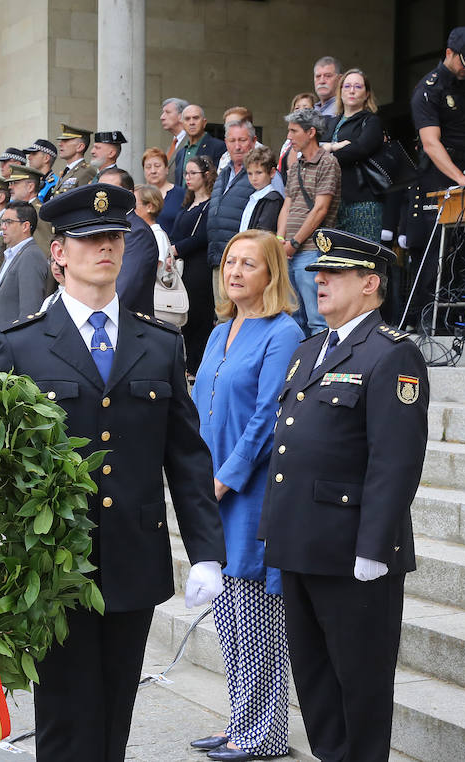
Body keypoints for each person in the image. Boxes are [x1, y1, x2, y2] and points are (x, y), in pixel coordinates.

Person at [0, 183, 226, 762]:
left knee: (116, 709)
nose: (106, 248)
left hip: (131, 554)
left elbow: (187, 456)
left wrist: (208, 553)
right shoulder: (22, 346)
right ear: (60, 254)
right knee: (66, 714)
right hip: (52, 561)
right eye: (90, 239)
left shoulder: (158, 342)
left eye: (115, 237)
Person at [258, 228, 427, 762]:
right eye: (318, 273)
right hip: (300, 542)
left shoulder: (390, 355)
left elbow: (395, 463)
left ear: (370, 284)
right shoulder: (310, 349)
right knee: (314, 679)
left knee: (360, 682)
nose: (321, 280)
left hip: (351, 549)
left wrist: (375, 549)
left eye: (335, 273)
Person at [189, 230, 303, 761]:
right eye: (230, 262)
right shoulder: (218, 332)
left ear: (271, 274)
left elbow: (268, 418)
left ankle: (266, 733)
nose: (234, 272)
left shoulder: (283, 332)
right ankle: (240, 723)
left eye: (248, 264)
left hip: (249, 492)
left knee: (254, 619)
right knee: (229, 619)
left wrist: (222, 479)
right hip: (211, 488)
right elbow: (197, 409)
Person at [406, 26, 465, 304]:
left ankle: (463, 309)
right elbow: (431, 143)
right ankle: (425, 315)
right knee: (435, 246)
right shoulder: (429, 89)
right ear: (449, 53)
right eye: (463, 62)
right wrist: (459, 179)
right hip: (438, 175)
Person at [277, 107, 341, 336]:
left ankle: (317, 369)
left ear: (311, 132)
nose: (289, 137)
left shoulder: (328, 162)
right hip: (289, 250)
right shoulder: (295, 166)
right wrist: (280, 240)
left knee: (317, 318)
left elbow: (320, 209)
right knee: (293, 317)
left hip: (312, 249)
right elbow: (288, 204)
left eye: (294, 131)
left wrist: (293, 242)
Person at [322, 68, 385, 242]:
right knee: (336, 262)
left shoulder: (371, 121)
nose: (351, 90)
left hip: (362, 201)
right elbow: (314, 149)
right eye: (347, 86)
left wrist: (329, 151)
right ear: (340, 91)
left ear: (366, 94)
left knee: (362, 260)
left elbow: (360, 149)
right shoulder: (331, 122)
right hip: (332, 201)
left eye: (358, 87)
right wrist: (337, 146)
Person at [168, 155, 215, 375]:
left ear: (206, 175)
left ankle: (196, 366)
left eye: (192, 173)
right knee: (185, 316)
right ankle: (188, 364)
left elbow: (203, 235)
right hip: (182, 264)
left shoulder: (210, 204)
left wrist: (178, 249)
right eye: (186, 173)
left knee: (198, 315)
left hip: (198, 265)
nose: (187, 177)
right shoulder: (188, 203)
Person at [206, 121, 263, 305]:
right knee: (222, 313)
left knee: (243, 311)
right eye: (232, 140)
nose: (237, 146)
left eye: (242, 140)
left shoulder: (261, 174)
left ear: (254, 141)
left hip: (245, 261)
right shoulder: (224, 172)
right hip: (220, 258)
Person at [0, 201, 55, 336]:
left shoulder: (31, 255)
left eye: (8, 222)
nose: (3, 227)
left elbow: (30, 310)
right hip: (2, 342)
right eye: (2, 222)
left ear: (25, 226)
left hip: (13, 345)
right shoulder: (12, 254)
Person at [100, 168, 158, 316]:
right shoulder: (105, 227)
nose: (103, 197)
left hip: (127, 325)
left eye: (111, 190)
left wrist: (96, 315)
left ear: (130, 195)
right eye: (100, 190)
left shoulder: (137, 232)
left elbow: (123, 289)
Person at [173, 104, 226, 187]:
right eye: (187, 119)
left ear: (204, 123)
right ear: (183, 125)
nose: (191, 123)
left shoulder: (218, 147)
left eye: (196, 118)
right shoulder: (180, 153)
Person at [8, 164, 54, 251]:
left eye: (15, 183)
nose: (10, 187)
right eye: (10, 183)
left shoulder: (40, 213)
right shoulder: (18, 211)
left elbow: (44, 249)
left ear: (30, 187)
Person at [241, 147, 284, 233]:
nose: (254, 178)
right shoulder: (254, 197)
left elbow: (263, 233)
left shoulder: (272, 200)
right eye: (250, 173)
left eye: (259, 173)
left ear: (272, 172)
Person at [142, 147, 183, 235]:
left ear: (166, 169)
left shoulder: (181, 194)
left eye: (157, 166)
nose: (153, 171)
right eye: (148, 167)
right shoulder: (138, 195)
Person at [51, 124, 97, 197]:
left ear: (80, 147)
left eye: (66, 140)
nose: (60, 144)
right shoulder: (67, 171)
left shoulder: (86, 172)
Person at [277, 93, 317, 174]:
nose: (300, 111)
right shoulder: (288, 141)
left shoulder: (313, 139)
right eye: (297, 108)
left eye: (305, 108)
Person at [134, 184, 171, 268]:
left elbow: (154, 267)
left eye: (134, 205)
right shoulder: (141, 232)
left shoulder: (157, 235)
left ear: (150, 207)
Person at [161, 96, 189, 172]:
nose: (162, 117)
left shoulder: (191, 142)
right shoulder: (172, 145)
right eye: (163, 113)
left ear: (181, 116)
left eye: (167, 112)